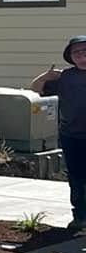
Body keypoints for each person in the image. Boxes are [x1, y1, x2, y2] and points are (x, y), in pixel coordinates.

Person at [31, 36, 86, 232]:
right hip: (71, 135)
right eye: (76, 53)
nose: (82, 56)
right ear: (70, 57)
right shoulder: (65, 77)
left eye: (85, 51)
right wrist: (45, 76)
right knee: (76, 178)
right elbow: (36, 88)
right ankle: (80, 217)